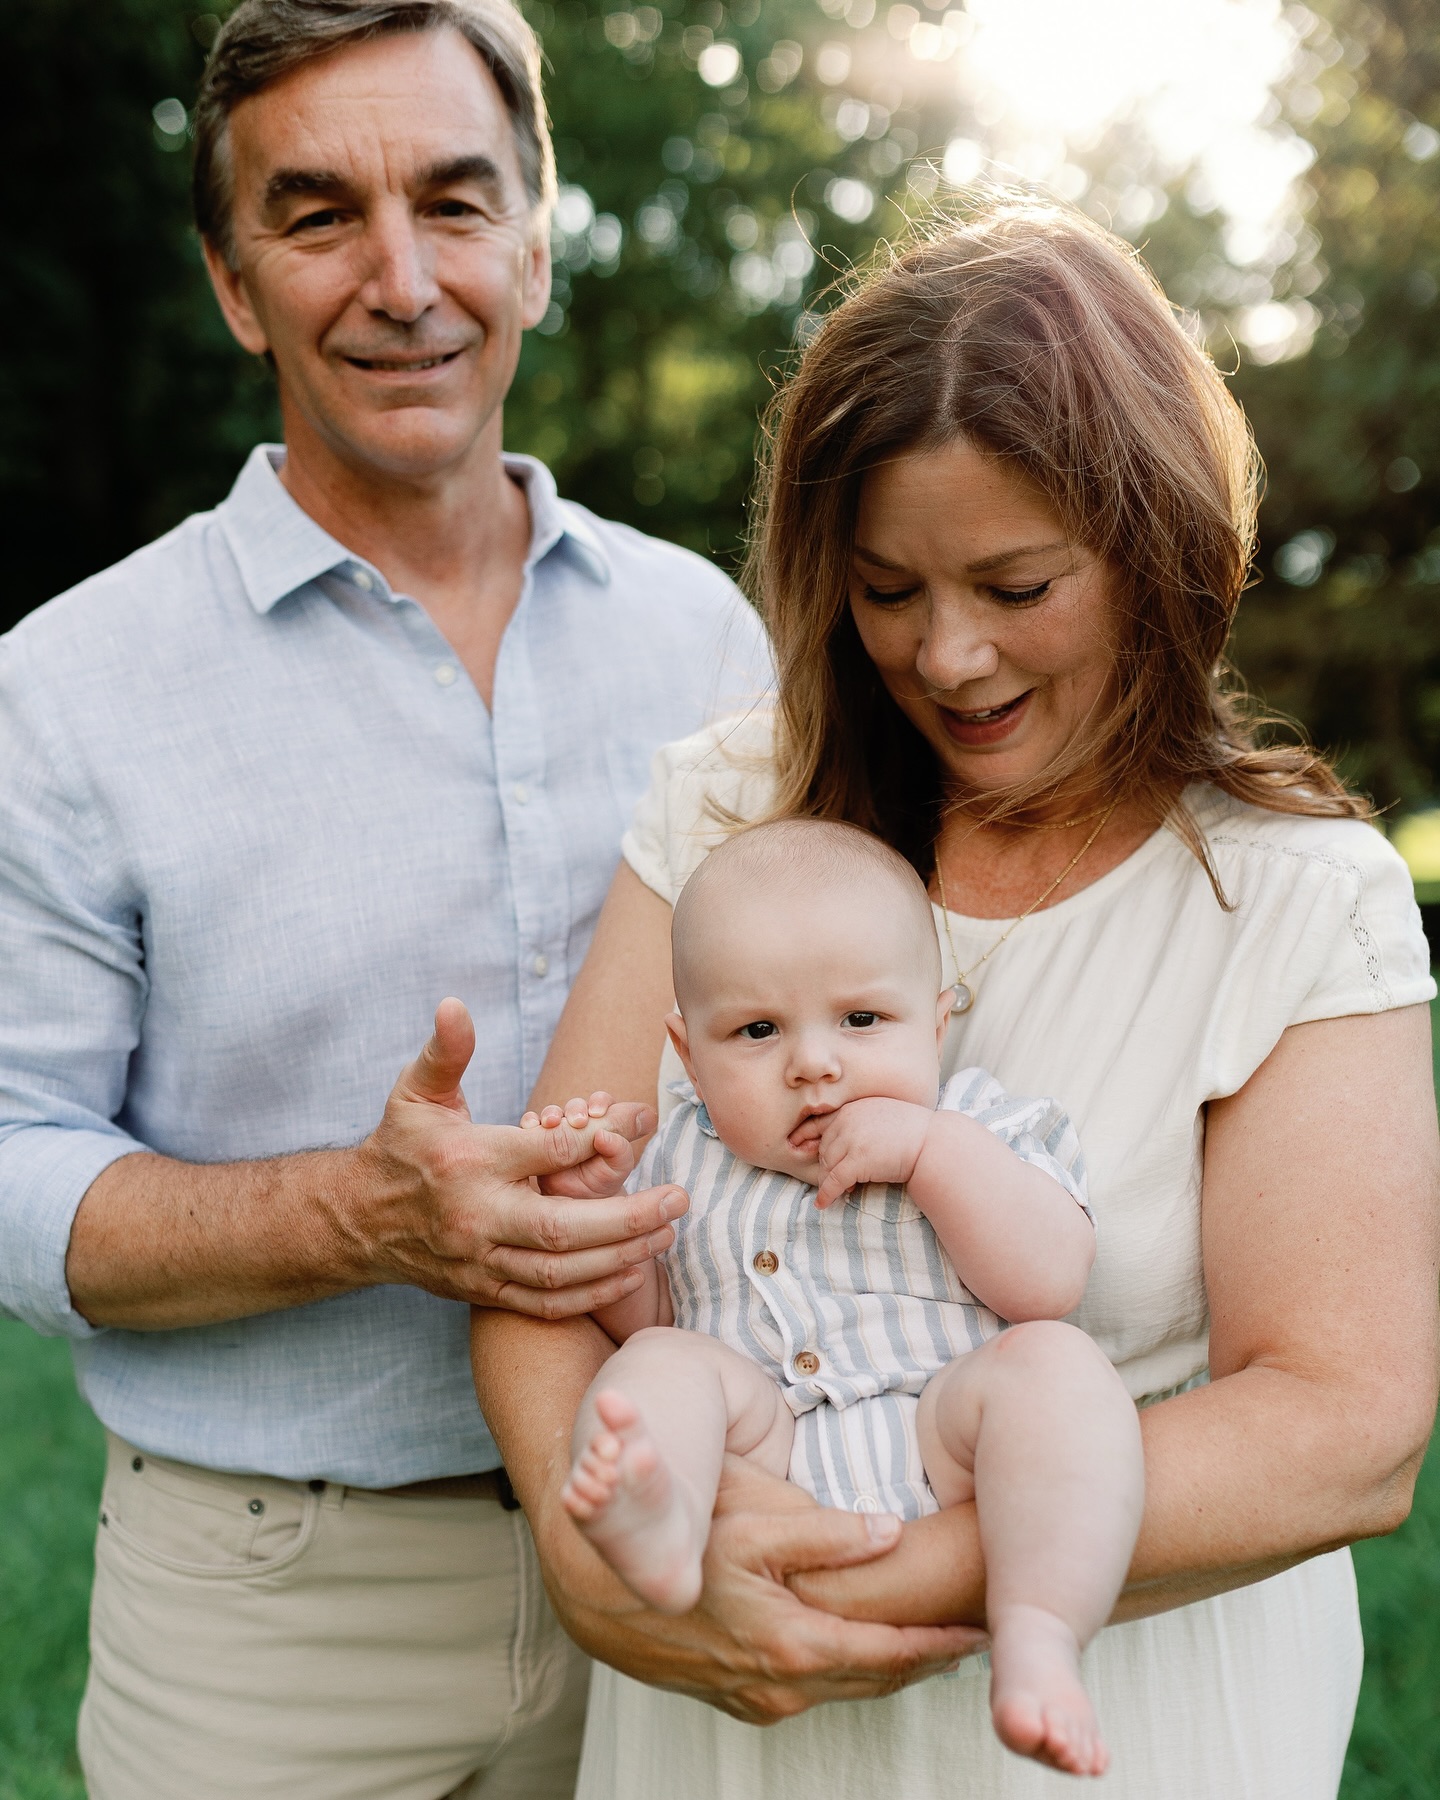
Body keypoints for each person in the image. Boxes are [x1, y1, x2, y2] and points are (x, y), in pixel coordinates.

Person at [471, 199, 1440, 1800]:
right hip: (722, 1709)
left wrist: (845, 1578)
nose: (951, 656)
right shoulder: (733, 814)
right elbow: (547, 1257)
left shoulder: (1287, 896)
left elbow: (1346, 1424)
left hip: (1128, 1706)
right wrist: (609, 1570)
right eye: (888, 589)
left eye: (1016, 583)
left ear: (1155, 544)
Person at [0, 1, 775, 1795]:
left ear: (537, 234)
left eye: (455, 199)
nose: (403, 279)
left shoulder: (711, 640)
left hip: (688, 1534)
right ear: (229, 280)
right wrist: (354, 1214)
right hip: (271, 1617)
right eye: (317, 213)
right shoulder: (67, 686)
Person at [558, 818, 1145, 1778]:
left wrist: (928, 1153)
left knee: (1055, 1367)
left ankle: (1039, 1633)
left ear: (937, 1020)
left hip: (947, 1438)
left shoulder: (979, 1124)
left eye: (862, 1021)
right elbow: (654, 1317)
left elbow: (1049, 1283)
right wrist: (603, 1226)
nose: (815, 1064)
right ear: (687, 1052)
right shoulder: (680, 1160)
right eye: (757, 1031)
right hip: (772, 1451)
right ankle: (660, 1528)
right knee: (655, 1366)